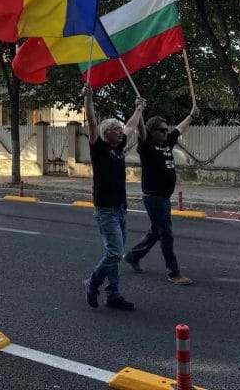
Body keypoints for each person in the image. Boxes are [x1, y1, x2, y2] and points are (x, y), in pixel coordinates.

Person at [82, 85, 146, 311]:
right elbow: (91, 122)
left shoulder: (119, 146)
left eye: (119, 130)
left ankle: (113, 294)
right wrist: (89, 98)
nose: (121, 132)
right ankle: (93, 282)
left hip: (120, 207)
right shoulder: (98, 147)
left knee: (114, 253)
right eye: (116, 129)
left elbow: (131, 125)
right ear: (106, 132)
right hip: (106, 209)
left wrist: (138, 108)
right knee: (115, 252)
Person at [123, 107, 199, 285]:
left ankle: (132, 256)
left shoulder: (166, 142)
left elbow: (179, 129)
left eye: (166, 129)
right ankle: (173, 272)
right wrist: (139, 109)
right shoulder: (147, 145)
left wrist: (190, 115)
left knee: (156, 231)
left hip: (164, 197)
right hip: (154, 196)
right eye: (162, 130)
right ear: (152, 132)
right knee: (166, 233)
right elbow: (141, 131)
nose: (166, 132)